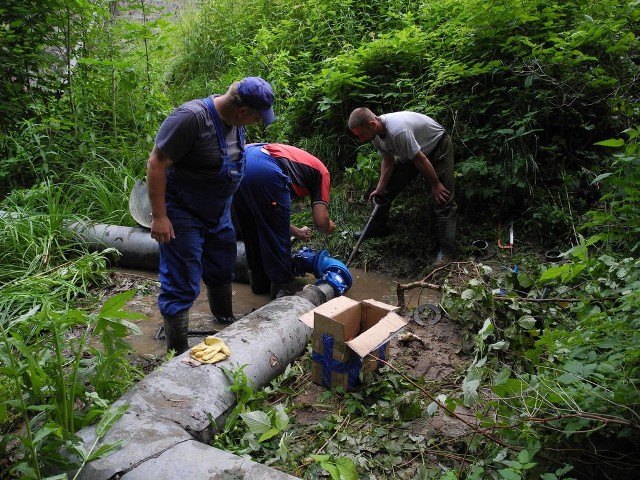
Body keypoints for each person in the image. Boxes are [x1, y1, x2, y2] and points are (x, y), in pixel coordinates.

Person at [146, 77, 275, 355]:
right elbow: (156, 163)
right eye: (256, 118)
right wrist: (159, 217)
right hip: (183, 213)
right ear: (242, 111)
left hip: (218, 211)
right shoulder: (190, 119)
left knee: (221, 264)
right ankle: (177, 349)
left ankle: (224, 318)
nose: (257, 123)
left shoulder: (234, 124)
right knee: (182, 279)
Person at [347, 107, 457, 263]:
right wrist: (380, 188)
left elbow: (421, 160)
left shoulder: (398, 131)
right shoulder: (375, 135)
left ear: (373, 124)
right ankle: (378, 228)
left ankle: (447, 251)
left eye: (361, 135)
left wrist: (436, 184)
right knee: (384, 192)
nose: (361, 139)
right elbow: (388, 161)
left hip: (436, 146)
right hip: (411, 153)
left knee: (443, 198)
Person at [233, 143, 336, 298]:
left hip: (235, 165)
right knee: (278, 243)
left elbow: (269, 217)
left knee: (251, 231)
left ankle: (259, 287)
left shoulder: (288, 157)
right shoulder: (322, 173)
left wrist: (297, 232)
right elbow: (321, 223)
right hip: (263, 170)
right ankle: (282, 294)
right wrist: (330, 226)